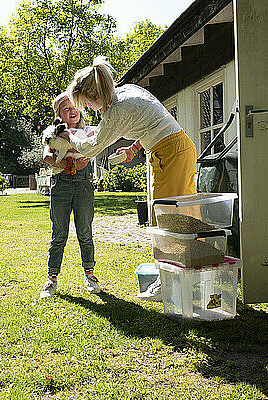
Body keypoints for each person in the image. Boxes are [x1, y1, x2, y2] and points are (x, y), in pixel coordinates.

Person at [62, 56, 198, 300]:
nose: (89, 110)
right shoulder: (128, 91)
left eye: (86, 104)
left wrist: (67, 135)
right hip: (178, 148)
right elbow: (152, 122)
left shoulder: (116, 111)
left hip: (169, 154)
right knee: (181, 218)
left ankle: (167, 283)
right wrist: (133, 149)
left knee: (165, 219)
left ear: (96, 97)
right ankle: (186, 277)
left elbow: (90, 148)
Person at [40, 92, 101, 299]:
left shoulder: (88, 131)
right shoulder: (54, 134)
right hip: (61, 185)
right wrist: (67, 164)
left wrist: (84, 159)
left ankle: (90, 276)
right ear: (59, 115)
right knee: (59, 234)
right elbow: (47, 156)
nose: (72, 111)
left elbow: (95, 148)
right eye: (66, 109)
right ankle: (52, 279)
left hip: (84, 185)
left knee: (85, 232)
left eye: (74, 106)